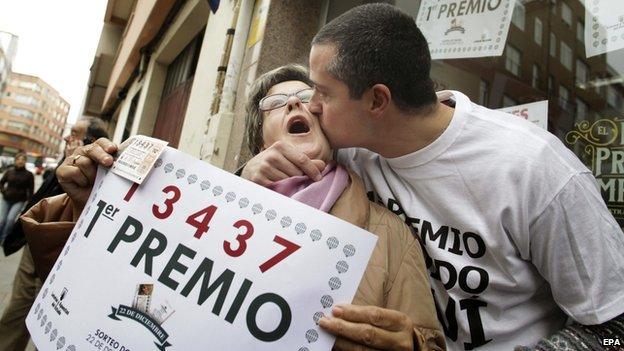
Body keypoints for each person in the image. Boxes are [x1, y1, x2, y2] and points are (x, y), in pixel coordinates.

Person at [240, 4, 624, 351]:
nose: (313, 107)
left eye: (322, 93)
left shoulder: (533, 168)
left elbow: (614, 329)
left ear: (377, 101)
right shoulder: (349, 146)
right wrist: (247, 175)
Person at [41, 64, 445, 351]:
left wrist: (409, 343)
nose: (295, 107)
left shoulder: (390, 235)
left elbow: (427, 340)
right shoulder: (196, 197)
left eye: (307, 99)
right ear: (259, 138)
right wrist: (89, 202)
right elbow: (117, 289)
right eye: (278, 103)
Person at [0, 117, 108, 351]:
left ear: (91, 140)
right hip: (33, 249)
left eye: (76, 133)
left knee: (50, 322)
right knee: (15, 313)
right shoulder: (64, 164)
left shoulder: (94, 171)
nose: (67, 138)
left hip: (60, 259)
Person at [0, 153, 33, 244]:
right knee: (2, 220)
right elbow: (1, 183)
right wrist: (4, 191)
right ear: (15, 161)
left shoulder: (29, 175)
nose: (20, 161)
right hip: (6, 199)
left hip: (19, 200)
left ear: (25, 162)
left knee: (10, 219)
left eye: (23, 160)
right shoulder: (9, 171)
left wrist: (29, 203)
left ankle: (4, 238)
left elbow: (31, 190)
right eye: (19, 159)